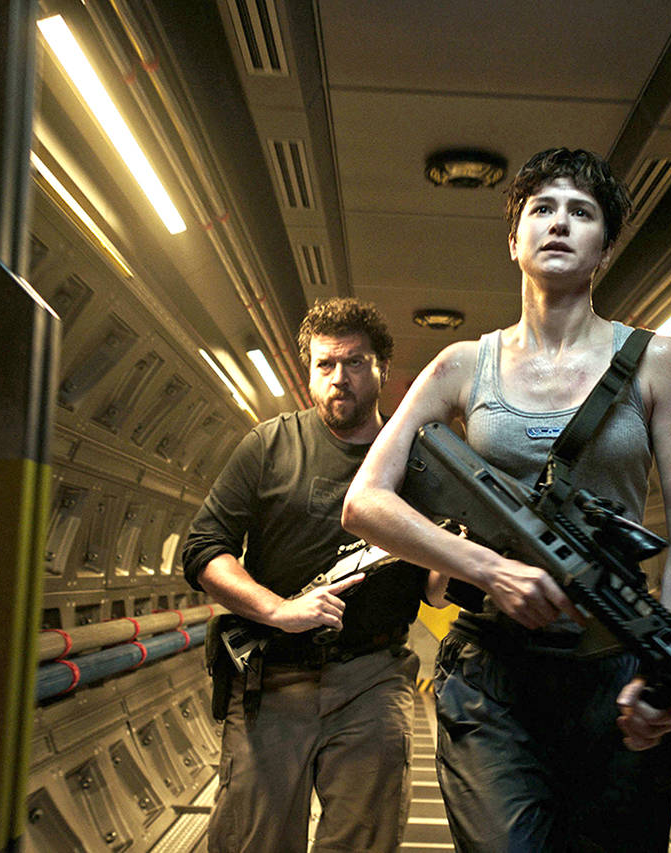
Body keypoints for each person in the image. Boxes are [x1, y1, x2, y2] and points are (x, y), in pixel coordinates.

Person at [342, 148, 671, 851]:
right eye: (542, 209)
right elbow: (365, 502)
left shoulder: (659, 361)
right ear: (513, 240)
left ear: (605, 248)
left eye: (583, 213)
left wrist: (665, 666)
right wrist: (488, 569)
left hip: (615, 666)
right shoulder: (461, 365)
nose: (560, 223)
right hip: (492, 675)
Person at [182, 297, 441, 853]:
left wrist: (461, 558)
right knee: (253, 840)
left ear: (382, 368)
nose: (339, 378)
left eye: (354, 363)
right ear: (309, 373)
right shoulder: (269, 445)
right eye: (325, 365)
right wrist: (278, 610)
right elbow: (203, 548)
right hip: (274, 679)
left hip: (373, 679)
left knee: (365, 842)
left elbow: (435, 589)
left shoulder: (415, 461)